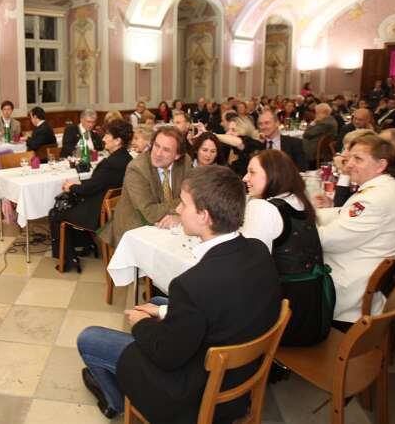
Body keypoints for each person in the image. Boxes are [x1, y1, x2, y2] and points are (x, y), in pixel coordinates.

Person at [78, 166, 281, 421]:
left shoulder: (192, 284)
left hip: (195, 392)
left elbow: (166, 355)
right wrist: (164, 311)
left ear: (204, 215)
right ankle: (118, 390)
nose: (178, 210)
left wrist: (141, 325)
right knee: (156, 302)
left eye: (184, 204)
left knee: (89, 338)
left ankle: (115, 399)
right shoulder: (258, 250)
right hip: (239, 372)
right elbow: (216, 306)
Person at [314, 134, 395, 327]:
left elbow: (326, 240)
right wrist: (311, 215)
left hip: (349, 288)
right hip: (364, 269)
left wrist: (297, 225)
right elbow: (343, 213)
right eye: (349, 157)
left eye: (358, 159)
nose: (349, 164)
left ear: (380, 165)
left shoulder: (374, 198)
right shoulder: (385, 188)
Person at [241, 150, 334, 346]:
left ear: (274, 174)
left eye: (252, 172)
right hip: (314, 310)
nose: (245, 177)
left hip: (287, 319)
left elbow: (248, 266)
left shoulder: (263, 208)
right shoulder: (298, 200)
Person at [49, 120, 133, 272]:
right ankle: (86, 244)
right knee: (68, 205)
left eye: (107, 135)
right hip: (112, 209)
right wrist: (78, 185)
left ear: (118, 140)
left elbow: (90, 189)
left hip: (96, 212)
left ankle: (68, 259)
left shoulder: (111, 163)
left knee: (57, 213)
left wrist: (72, 186)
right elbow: (98, 183)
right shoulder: (127, 159)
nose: (103, 138)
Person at [101, 126, 193, 248]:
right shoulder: (137, 168)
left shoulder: (185, 161)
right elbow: (149, 213)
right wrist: (182, 206)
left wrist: (179, 217)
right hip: (136, 226)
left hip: (169, 224)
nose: (158, 154)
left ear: (177, 155)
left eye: (166, 150)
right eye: (156, 146)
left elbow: (194, 195)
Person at [302, 103, 338, 168]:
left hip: (314, 150)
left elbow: (307, 134)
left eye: (317, 113)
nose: (315, 115)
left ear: (325, 112)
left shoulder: (325, 123)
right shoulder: (330, 120)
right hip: (319, 148)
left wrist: (314, 122)